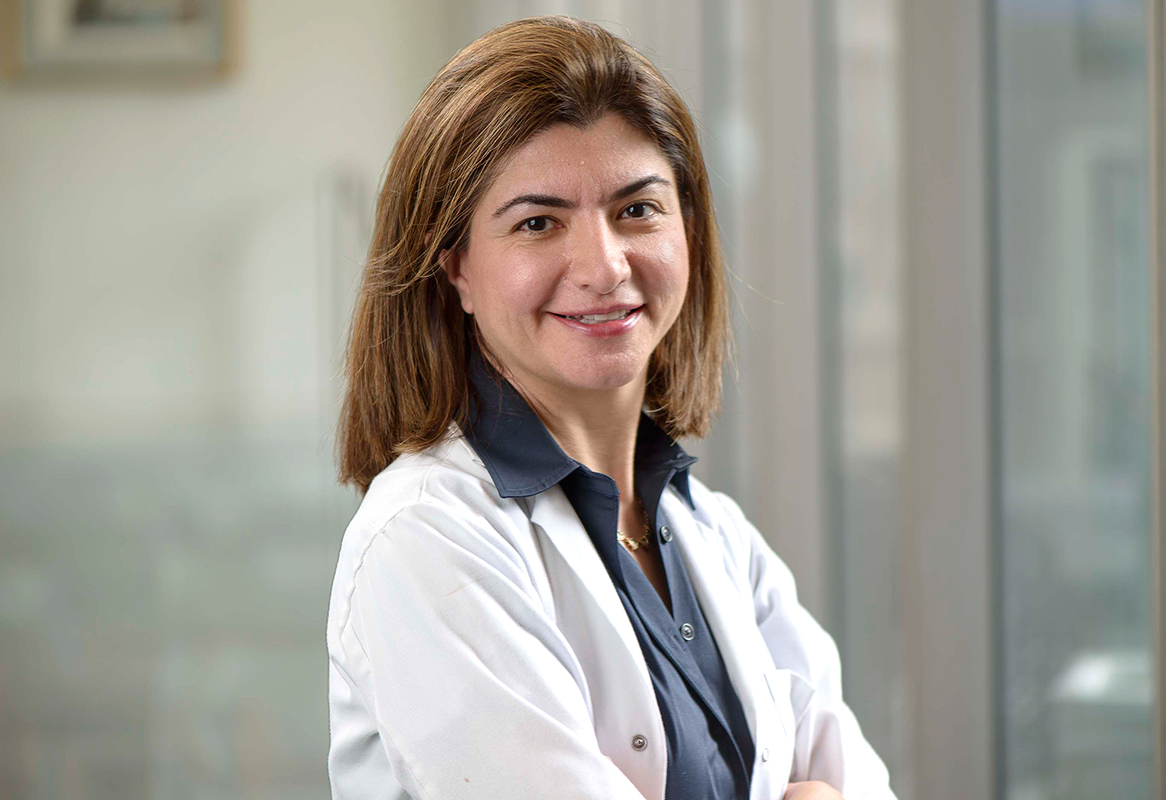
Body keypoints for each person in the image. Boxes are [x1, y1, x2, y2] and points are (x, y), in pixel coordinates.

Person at [327, 15, 895, 800]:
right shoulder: (425, 539)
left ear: (688, 230)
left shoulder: (715, 535)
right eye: (538, 223)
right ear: (455, 268)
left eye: (637, 210)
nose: (603, 266)